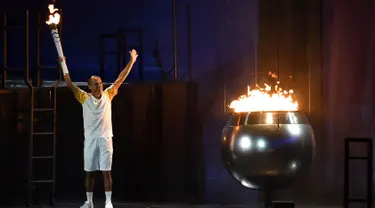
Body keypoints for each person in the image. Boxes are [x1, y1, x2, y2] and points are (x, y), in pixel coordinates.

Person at [58, 49, 138, 208]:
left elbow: (121, 78)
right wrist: (63, 63)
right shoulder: (83, 97)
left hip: (105, 139)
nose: (99, 86)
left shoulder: (109, 94)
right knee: (89, 172)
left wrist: (132, 61)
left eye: (100, 83)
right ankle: (89, 202)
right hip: (90, 141)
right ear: (89, 86)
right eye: (96, 84)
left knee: (106, 172)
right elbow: (69, 83)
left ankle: (108, 202)